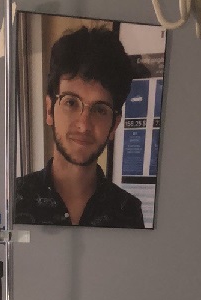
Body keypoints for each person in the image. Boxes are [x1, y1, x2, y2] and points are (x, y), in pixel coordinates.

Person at [13, 25, 147, 228]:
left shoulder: (127, 211)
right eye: (71, 102)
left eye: (100, 109)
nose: (84, 124)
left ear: (114, 125)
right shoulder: (14, 199)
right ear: (49, 110)